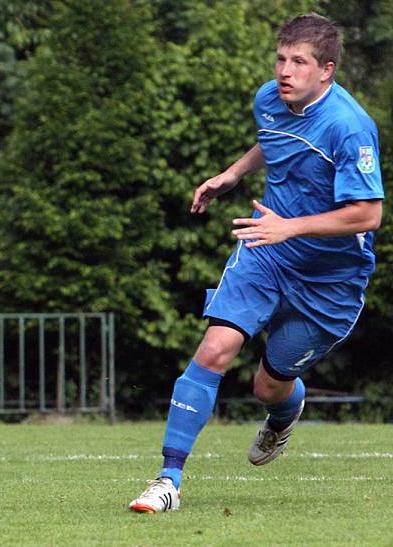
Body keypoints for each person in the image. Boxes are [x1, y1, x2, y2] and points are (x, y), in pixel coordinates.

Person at [129, 13, 384, 513]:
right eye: (281, 58)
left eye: (299, 63)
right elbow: (273, 138)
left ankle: (283, 414)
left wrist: (292, 225)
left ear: (327, 70)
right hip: (266, 250)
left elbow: (368, 214)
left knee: (268, 385)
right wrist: (232, 174)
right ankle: (168, 480)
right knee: (215, 348)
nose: (285, 71)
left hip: (331, 280)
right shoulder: (271, 98)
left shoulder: (350, 127)